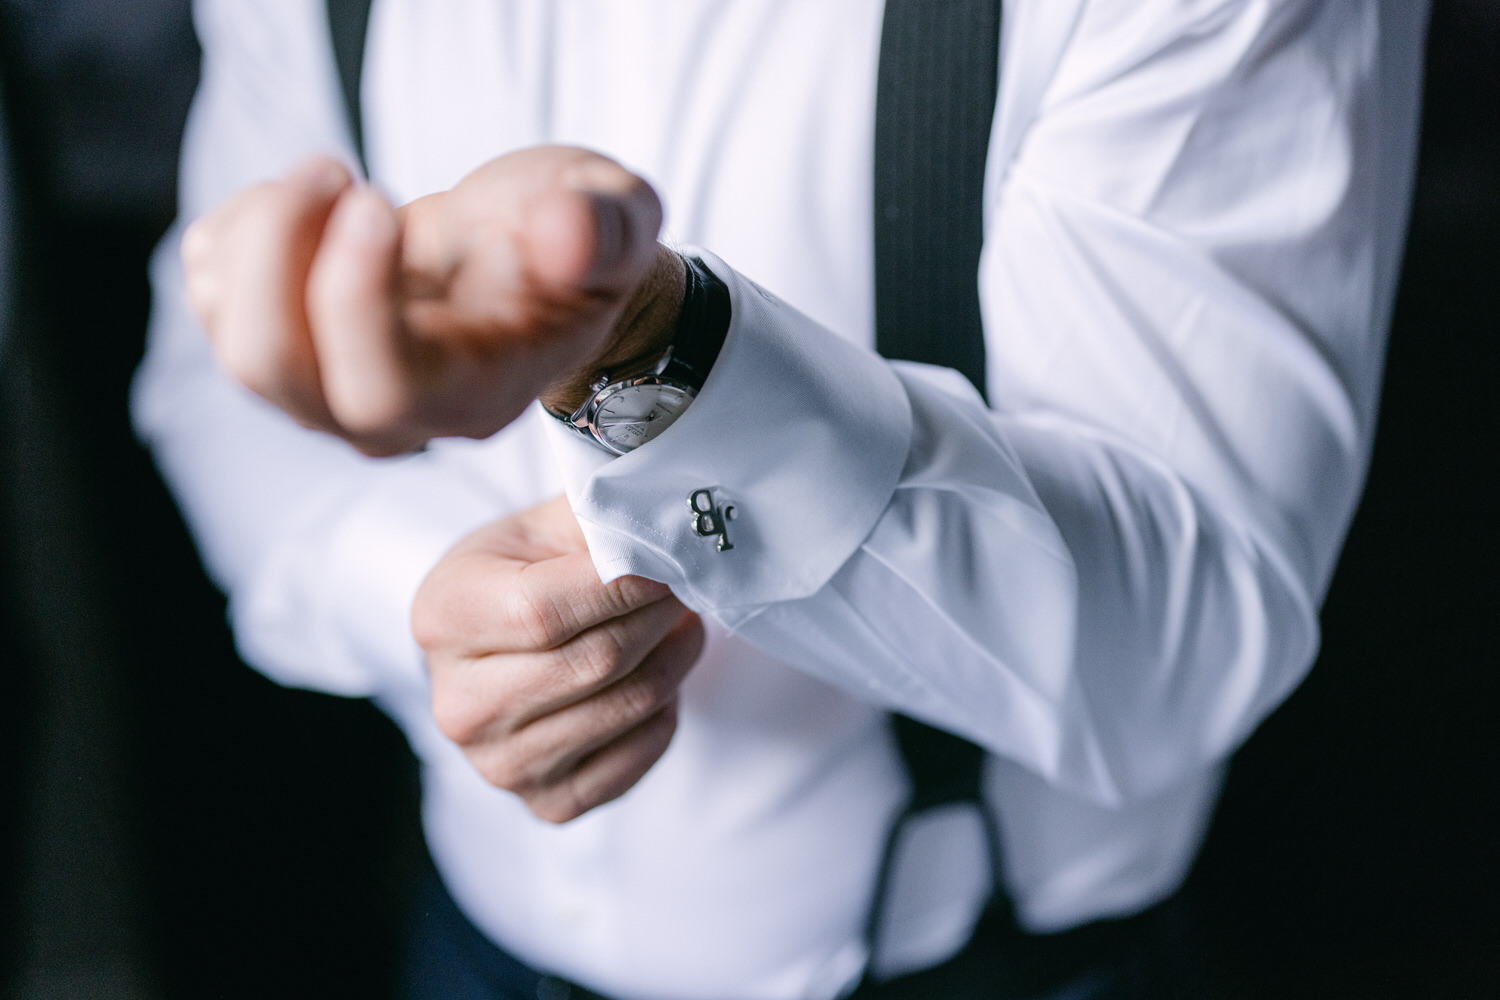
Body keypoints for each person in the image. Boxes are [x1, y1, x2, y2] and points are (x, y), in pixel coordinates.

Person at [134, 1, 1429, 997]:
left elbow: (1182, 646)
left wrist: (654, 357)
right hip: (466, 947)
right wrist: (423, 610)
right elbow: (209, 394)